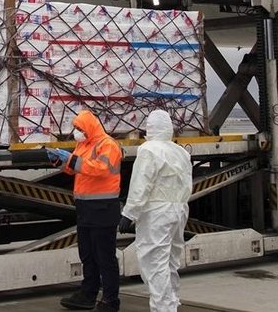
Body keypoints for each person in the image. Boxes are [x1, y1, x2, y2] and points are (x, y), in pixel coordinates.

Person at [117, 110, 192, 312]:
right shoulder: (181, 152)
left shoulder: (149, 150)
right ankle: (171, 303)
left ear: (149, 128)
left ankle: (162, 308)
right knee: (170, 262)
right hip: (179, 209)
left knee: (155, 264)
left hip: (157, 212)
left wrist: (129, 213)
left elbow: (142, 184)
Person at [48, 110, 123, 312]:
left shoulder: (108, 145)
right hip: (85, 208)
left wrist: (71, 160)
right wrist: (59, 161)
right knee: (87, 254)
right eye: (76, 128)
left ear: (89, 128)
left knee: (104, 256)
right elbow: (75, 169)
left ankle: (110, 300)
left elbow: (100, 169)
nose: (76, 132)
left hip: (103, 209)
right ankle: (88, 294)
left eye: (79, 128)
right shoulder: (84, 144)